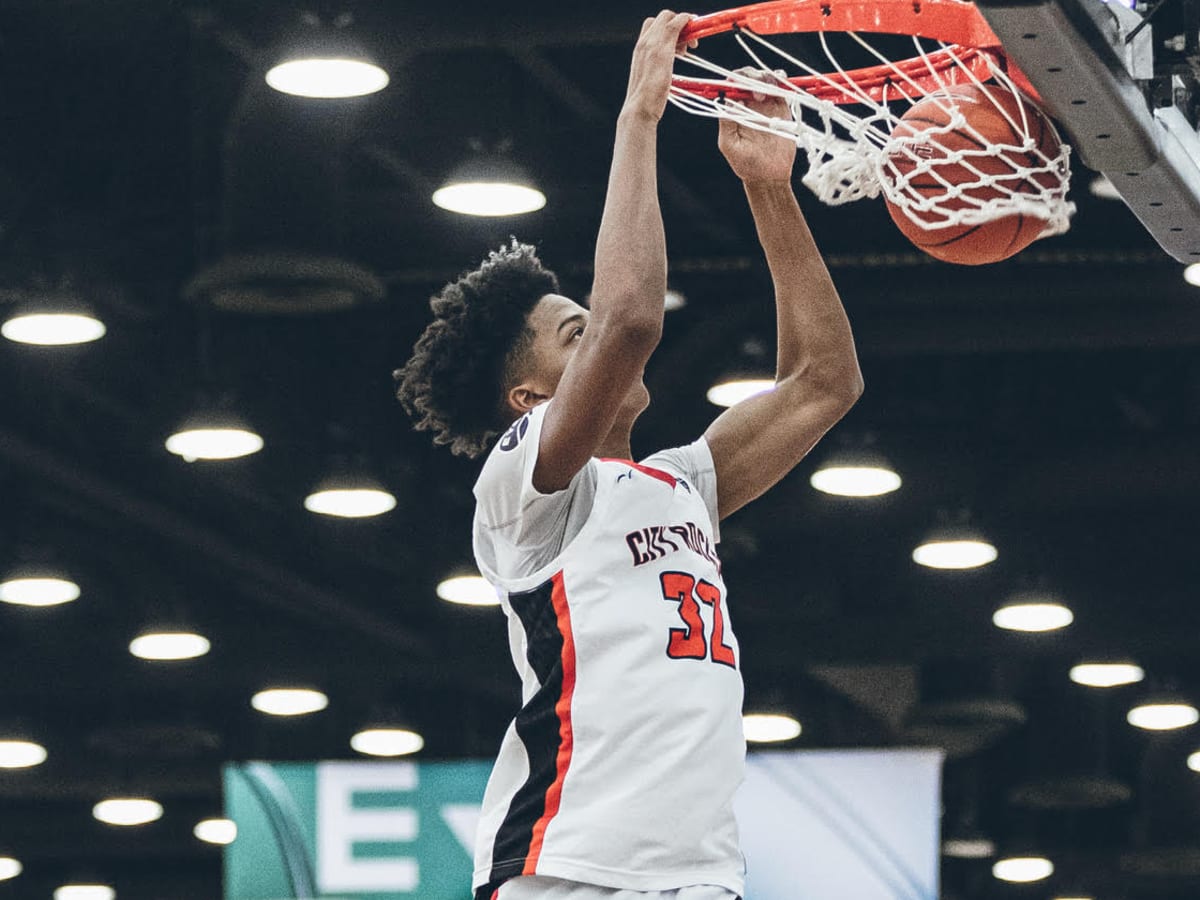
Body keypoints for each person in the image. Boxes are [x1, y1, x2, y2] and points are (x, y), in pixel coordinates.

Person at [396, 9, 863, 900]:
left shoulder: (679, 483)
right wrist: (638, 117)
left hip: (698, 875)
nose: (604, 342)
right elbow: (633, 318)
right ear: (528, 401)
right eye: (573, 336)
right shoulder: (521, 484)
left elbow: (823, 382)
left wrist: (769, 187)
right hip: (565, 866)